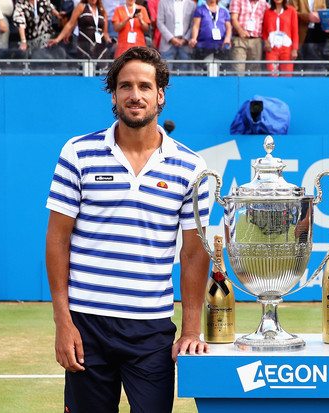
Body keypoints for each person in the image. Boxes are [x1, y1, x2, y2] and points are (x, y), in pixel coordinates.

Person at [45, 46, 211, 413]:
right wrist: (63, 322)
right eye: (125, 86)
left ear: (160, 94)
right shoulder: (77, 153)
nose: (135, 95)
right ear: (114, 94)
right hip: (87, 326)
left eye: (144, 87)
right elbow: (58, 239)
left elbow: (194, 252)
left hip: (151, 329)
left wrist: (190, 331)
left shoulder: (192, 167)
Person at [47, 0, 112, 59]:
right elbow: (70, 24)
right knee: (85, 65)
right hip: (85, 43)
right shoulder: (81, 7)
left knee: (100, 67)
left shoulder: (102, 11)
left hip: (99, 45)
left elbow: (105, 32)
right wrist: (58, 39)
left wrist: (110, 41)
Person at [229, 0, 269, 74]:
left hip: (256, 40)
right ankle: (238, 85)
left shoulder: (264, 4)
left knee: (254, 71)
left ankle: (253, 86)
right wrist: (240, 31)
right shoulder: (237, 1)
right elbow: (233, 18)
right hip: (239, 39)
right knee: (238, 69)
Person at [156, 0, 197, 71]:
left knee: (185, 73)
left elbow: (193, 24)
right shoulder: (163, 2)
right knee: (165, 72)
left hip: (185, 44)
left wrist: (185, 39)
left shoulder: (192, 4)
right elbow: (160, 22)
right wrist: (171, 38)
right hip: (167, 43)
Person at [262, 0, 299, 76]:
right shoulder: (267, 12)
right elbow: (264, 30)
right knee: (272, 74)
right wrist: (266, 42)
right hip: (271, 48)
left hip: (286, 47)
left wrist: (295, 49)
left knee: (287, 75)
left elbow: (295, 31)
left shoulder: (291, 10)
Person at [289, 0, 328, 64]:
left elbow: (324, 10)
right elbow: (292, 12)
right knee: (300, 59)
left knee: (314, 59)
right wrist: (308, 17)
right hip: (300, 31)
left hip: (317, 32)